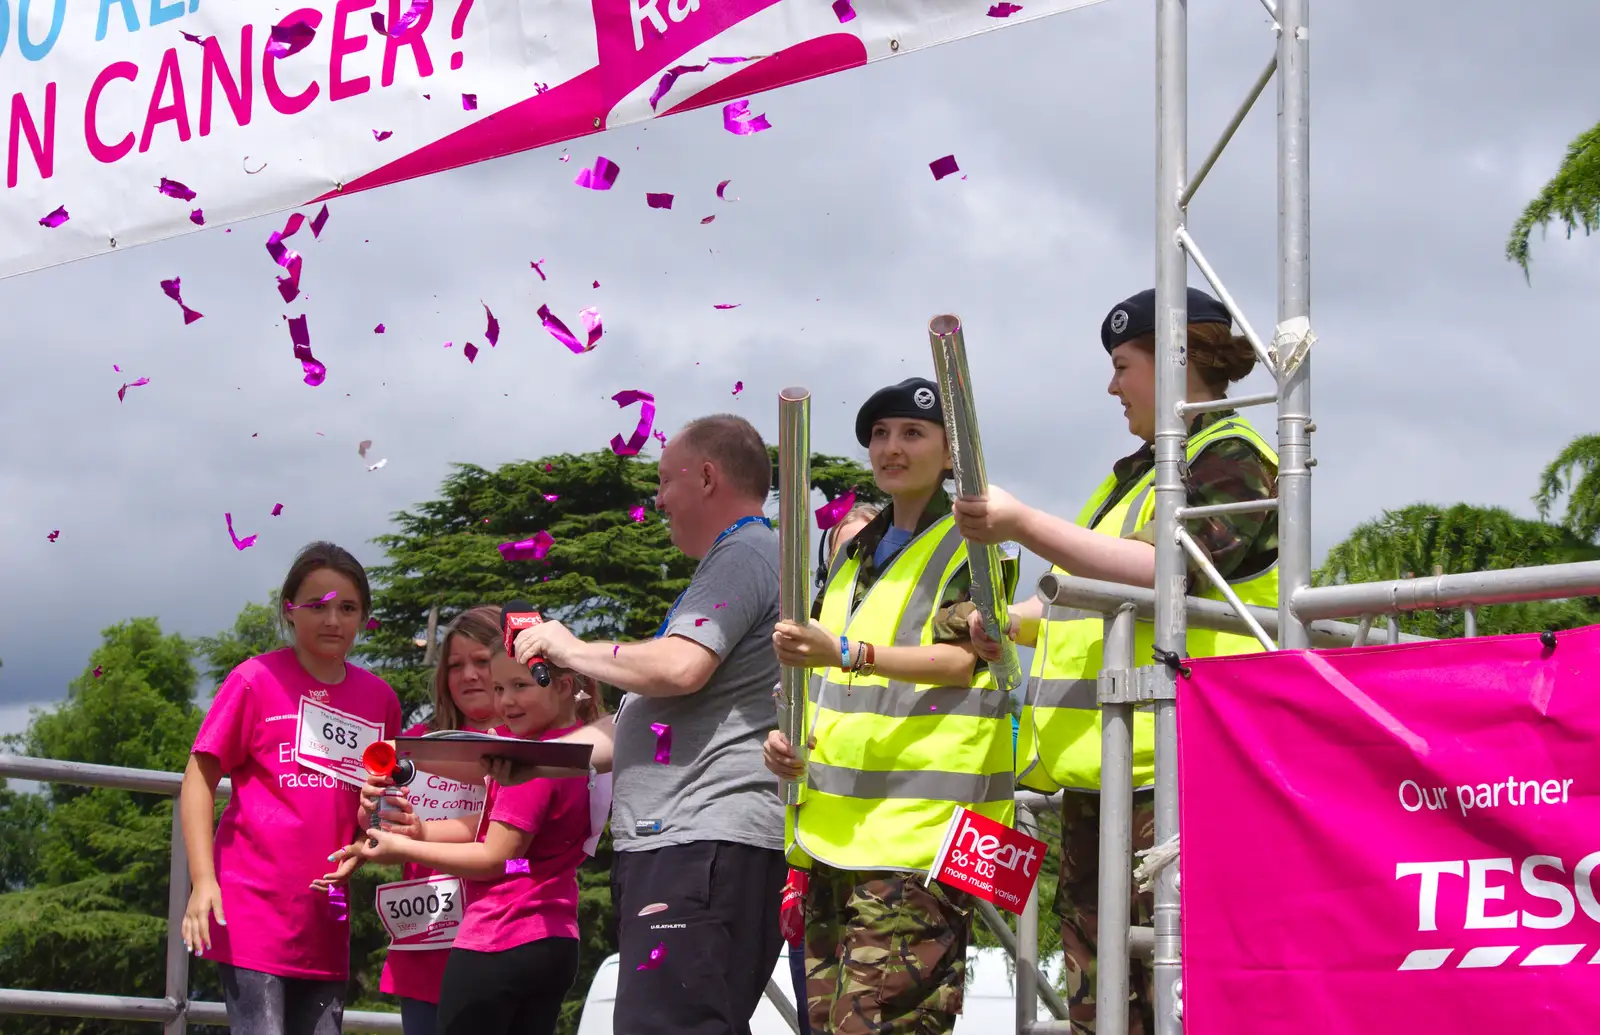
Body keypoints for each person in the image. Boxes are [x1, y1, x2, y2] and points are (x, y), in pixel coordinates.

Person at [953, 287, 1280, 1035]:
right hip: (1108, 776)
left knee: (1179, 991)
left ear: (1175, 358)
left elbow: (1171, 570)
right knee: (1101, 1006)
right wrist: (1010, 624)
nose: (1110, 385)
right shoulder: (1132, 476)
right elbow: (1089, 597)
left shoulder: (1233, 458)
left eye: (1120, 364)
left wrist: (1025, 524)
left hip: (1180, 769)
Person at [511, 413, 787, 1035]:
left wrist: (567, 647)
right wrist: (523, 759)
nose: (657, 499)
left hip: (700, 845)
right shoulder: (743, 558)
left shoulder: (744, 553)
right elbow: (652, 720)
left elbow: (680, 667)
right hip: (695, 848)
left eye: (665, 480)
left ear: (708, 476)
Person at [762, 377, 1019, 1035]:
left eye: (911, 432)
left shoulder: (973, 542)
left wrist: (843, 649)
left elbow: (961, 659)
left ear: (952, 452)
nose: (891, 447)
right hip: (830, 836)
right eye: (880, 433)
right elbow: (830, 680)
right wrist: (790, 733)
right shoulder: (854, 553)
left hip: (924, 838)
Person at [178, 542, 402, 1035]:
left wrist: (367, 844)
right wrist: (203, 880)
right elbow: (197, 781)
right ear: (289, 610)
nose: (332, 620)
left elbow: (377, 806)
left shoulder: (380, 700)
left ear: (363, 616)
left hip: (326, 916)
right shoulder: (254, 681)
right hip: (250, 907)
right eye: (317, 606)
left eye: (347, 608)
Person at [342, 649, 604, 1035]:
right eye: (499, 687)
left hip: (498, 934)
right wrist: (422, 831)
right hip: (555, 938)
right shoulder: (576, 754)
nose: (506, 701)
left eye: (520, 685)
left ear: (564, 686)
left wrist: (404, 849)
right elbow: (516, 851)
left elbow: (495, 857)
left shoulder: (527, 760)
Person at [376, 606, 502, 1035]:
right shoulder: (419, 742)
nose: (468, 675)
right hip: (424, 934)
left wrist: (424, 833)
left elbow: (504, 832)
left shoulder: (533, 746)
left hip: (499, 936)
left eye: (481, 662)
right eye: (455, 665)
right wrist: (372, 807)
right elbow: (384, 820)